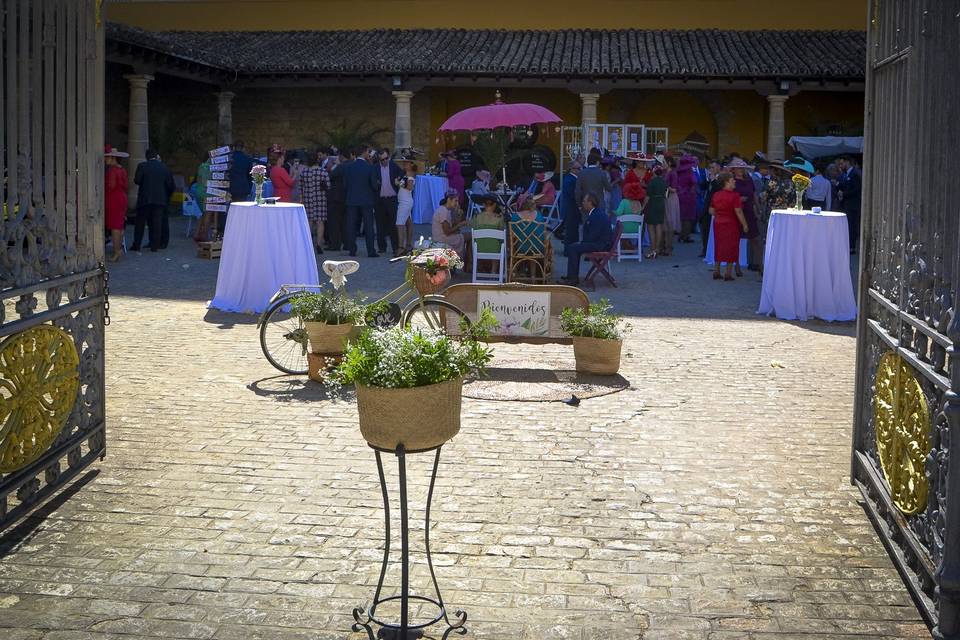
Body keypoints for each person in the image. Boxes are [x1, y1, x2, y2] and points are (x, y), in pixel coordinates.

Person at [559, 194, 613, 286]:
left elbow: (593, 235)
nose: (583, 203)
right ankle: (571, 276)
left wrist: (582, 243)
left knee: (573, 248)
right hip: (600, 243)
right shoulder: (596, 213)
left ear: (590, 203)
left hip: (601, 245)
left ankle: (573, 279)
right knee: (574, 247)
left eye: (584, 201)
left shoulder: (597, 215)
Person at [132, 148, 174, 252]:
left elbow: (137, 180)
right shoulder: (164, 168)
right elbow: (171, 185)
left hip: (144, 199)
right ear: (157, 156)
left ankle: (137, 244)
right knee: (157, 223)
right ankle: (155, 245)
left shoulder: (142, 166)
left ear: (147, 157)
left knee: (140, 223)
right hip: (160, 200)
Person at [709, 171, 749, 281]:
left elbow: (711, 211)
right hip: (731, 223)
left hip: (718, 222)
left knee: (719, 246)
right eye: (732, 180)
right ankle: (728, 273)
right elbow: (739, 212)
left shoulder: (716, 194)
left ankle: (716, 270)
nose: (734, 181)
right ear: (727, 182)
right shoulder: (735, 196)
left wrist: (720, 214)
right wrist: (745, 225)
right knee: (732, 247)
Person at [725, 157, 759, 276]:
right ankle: (737, 267)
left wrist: (758, 208)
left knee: (754, 238)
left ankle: (760, 265)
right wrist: (738, 199)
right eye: (738, 168)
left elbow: (754, 194)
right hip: (736, 211)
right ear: (733, 169)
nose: (740, 170)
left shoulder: (749, 180)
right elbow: (726, 196)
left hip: (749, 210)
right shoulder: (731, 180)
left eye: (742, 168)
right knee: (736, 240)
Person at [299, 150, 331, 253]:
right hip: (320, 199)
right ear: (317, 160)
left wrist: (301, 199)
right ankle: (319, 244)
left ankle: (308, 244)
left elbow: (301, 187)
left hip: (308, 199)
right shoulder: (323, 171)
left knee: (309, 222)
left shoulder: (304, 173)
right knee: (320, 222)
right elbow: (328, 186)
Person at [375, 148, 403, 256]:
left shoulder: (393, 166)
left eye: (386, 158)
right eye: (382, 159)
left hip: (392, 198)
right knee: (380, 224)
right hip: (380, 200)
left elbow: (402, 173)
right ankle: (382, 247)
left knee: (393, 224)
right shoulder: (376, 168)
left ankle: (395, 247)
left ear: (389, 157)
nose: (385, 161)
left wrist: (398, 180)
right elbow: (372, 180)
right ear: (379, 160)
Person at [104, 144, 129, 262]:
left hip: (114, 199)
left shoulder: (113, 170)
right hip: (122, 198)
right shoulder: (122, 169)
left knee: (115, 227)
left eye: (107, 157)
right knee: (119, 225)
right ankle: (118, 250)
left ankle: (116, 252)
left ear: (113, 158)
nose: (105, 159)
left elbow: (110, 186)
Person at [669, 155, 699, 242]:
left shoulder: (677, 171)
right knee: (688, 217)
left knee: (681, 216)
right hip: (688, 196)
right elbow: (694, 182)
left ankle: (681, 235)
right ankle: (685, 236)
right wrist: (692, 193)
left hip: (679, 195)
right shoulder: (689, 172)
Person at [469, 194, 505, 265]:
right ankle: (493, 270)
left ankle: (478, 267)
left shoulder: (476, 217)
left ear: (484, 204)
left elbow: (473, 233)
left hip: (479, 249)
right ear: (494, 205)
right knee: (499, 243)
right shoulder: (499, 219)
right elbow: (502, 236)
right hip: (494, 250)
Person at [432, 190, 468, 259]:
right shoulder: (443, 211)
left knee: (468, 235)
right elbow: (447, 232)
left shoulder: (446, 210)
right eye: (456, 201)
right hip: (441, 239)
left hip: (442, 237)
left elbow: (452, 225)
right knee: (470, 236)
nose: (457, 203)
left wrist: (458, 215)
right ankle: (468, 262)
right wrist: (460, 224)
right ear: (449, 200)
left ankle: (468, 262)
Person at [836, 155, 862, 252]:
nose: (841, 165)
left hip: (853, 204)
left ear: (848, 162)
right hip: (847, 204)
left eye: (842, 163)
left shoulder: (854, 174)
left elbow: (856, 189)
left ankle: (852, 247)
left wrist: (844, 193)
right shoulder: (847, 174)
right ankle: (848, 245)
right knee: (848, 224)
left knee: (851, 225)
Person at [227, 141, 253, 234]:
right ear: (242, 148)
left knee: (231, 208)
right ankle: (240, 229)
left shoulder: (229, 159)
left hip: (230, 186)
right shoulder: (247, 159)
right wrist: (249, 187)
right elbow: (250, 175)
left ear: (234, 147)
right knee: (242, 208)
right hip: (243, 186)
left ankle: (231, 227)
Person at [327, 150, 350, 252]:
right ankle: (347, 243)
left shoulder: (340, 167)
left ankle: (335, 244)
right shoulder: (350, 165)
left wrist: (334, 165)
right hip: (346, 197)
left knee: (334, 222)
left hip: (336, 197)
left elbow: (330, 176)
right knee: (345, 222)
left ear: (341, 156)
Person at [644, 164, 668, 259]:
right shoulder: (663, 182)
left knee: (651, 227)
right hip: (661, 203)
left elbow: (647, 197)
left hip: (652, 204)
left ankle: (652, 249)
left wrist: (642, 208)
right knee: (659, 226)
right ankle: (657, 249)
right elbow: (666, 194)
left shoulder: (652, 182)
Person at [557, 161, 582, 254]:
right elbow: (573, 195)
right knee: (571, 231)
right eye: (578, 168)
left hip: (571, 209)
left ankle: (571, 250)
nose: (580, 170)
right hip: (571, 209)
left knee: (573, 230)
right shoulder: (570, 179)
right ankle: (569, 251)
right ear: (572, 169)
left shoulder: (570, 179)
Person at [395, 163, 417, 255]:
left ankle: (401, 247)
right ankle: (408, 245)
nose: (405, 165)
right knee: (408, 222)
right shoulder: (405, 176)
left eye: (407, 164)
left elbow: (410, 187)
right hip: (405, 201)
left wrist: (399, 184)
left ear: (411, 166)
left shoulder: (410, 177)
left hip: (405, 203)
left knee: (399, 224)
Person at [191, 153, 212, 242]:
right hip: (209, 192)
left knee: (201, 214)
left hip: (199, 192)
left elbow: (199, 180)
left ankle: (196, 234)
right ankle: (204, 235)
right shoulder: (214, 167)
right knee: (208, 214)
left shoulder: (201, 166)